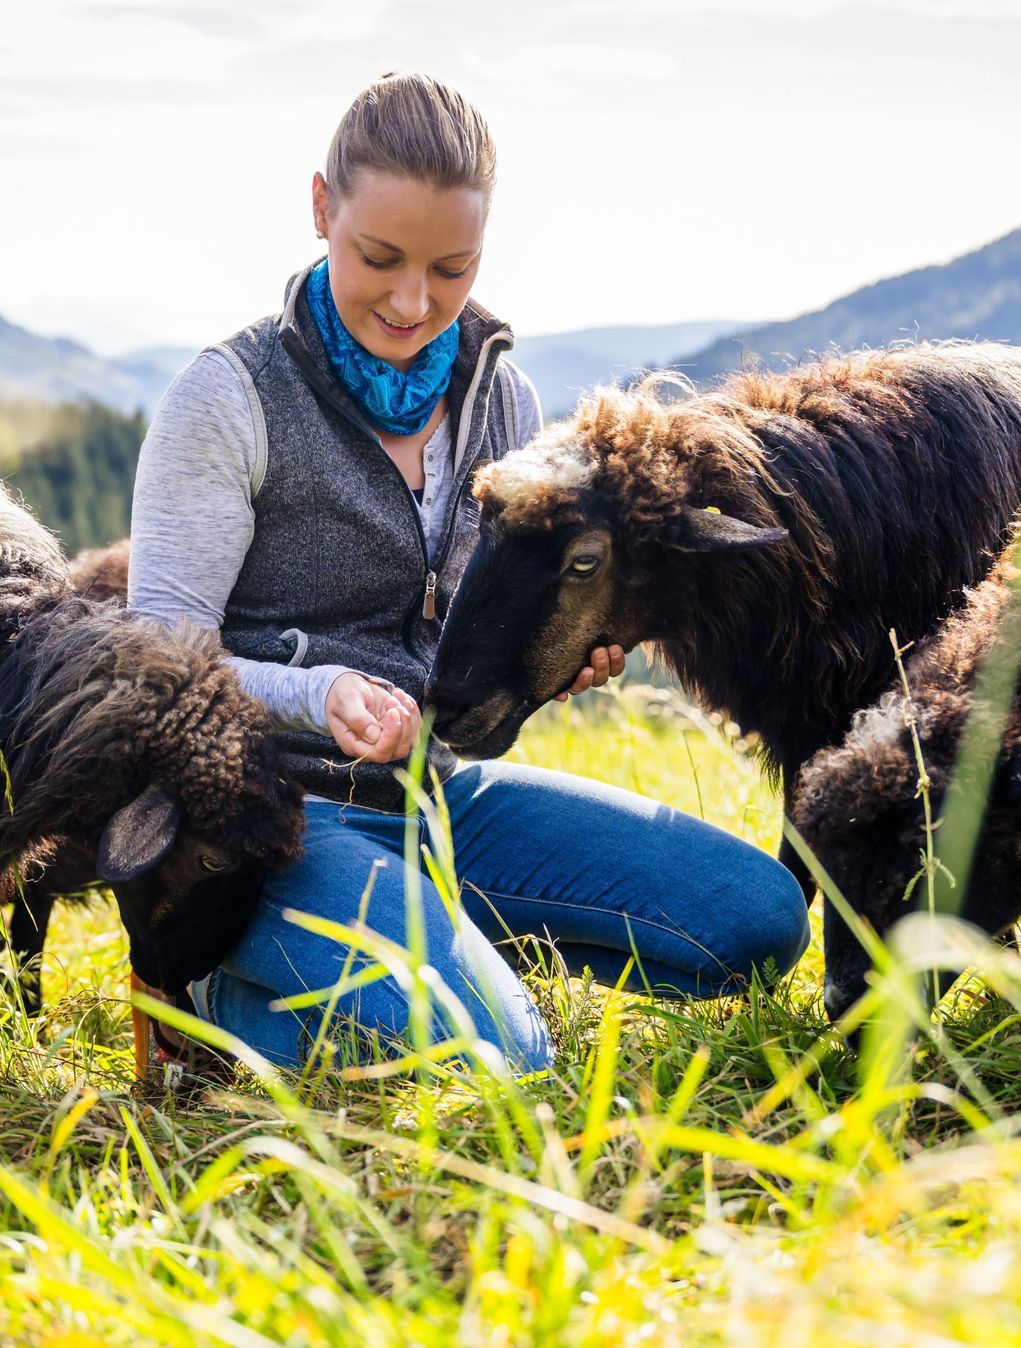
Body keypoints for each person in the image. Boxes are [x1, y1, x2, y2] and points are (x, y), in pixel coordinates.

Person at [129, 72, 808, 1072]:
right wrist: (322, 698)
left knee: (757, 920)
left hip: (441, 800)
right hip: (268, 826)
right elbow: (156, 666)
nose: (414, 302)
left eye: (452, 267)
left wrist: (555, 656)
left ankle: (429, 974)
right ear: (322, 209)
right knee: (508, 1061)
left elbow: (476, 637)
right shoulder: (227, 398)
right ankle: (216, 1003)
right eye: (380, 258)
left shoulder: (504, 401)